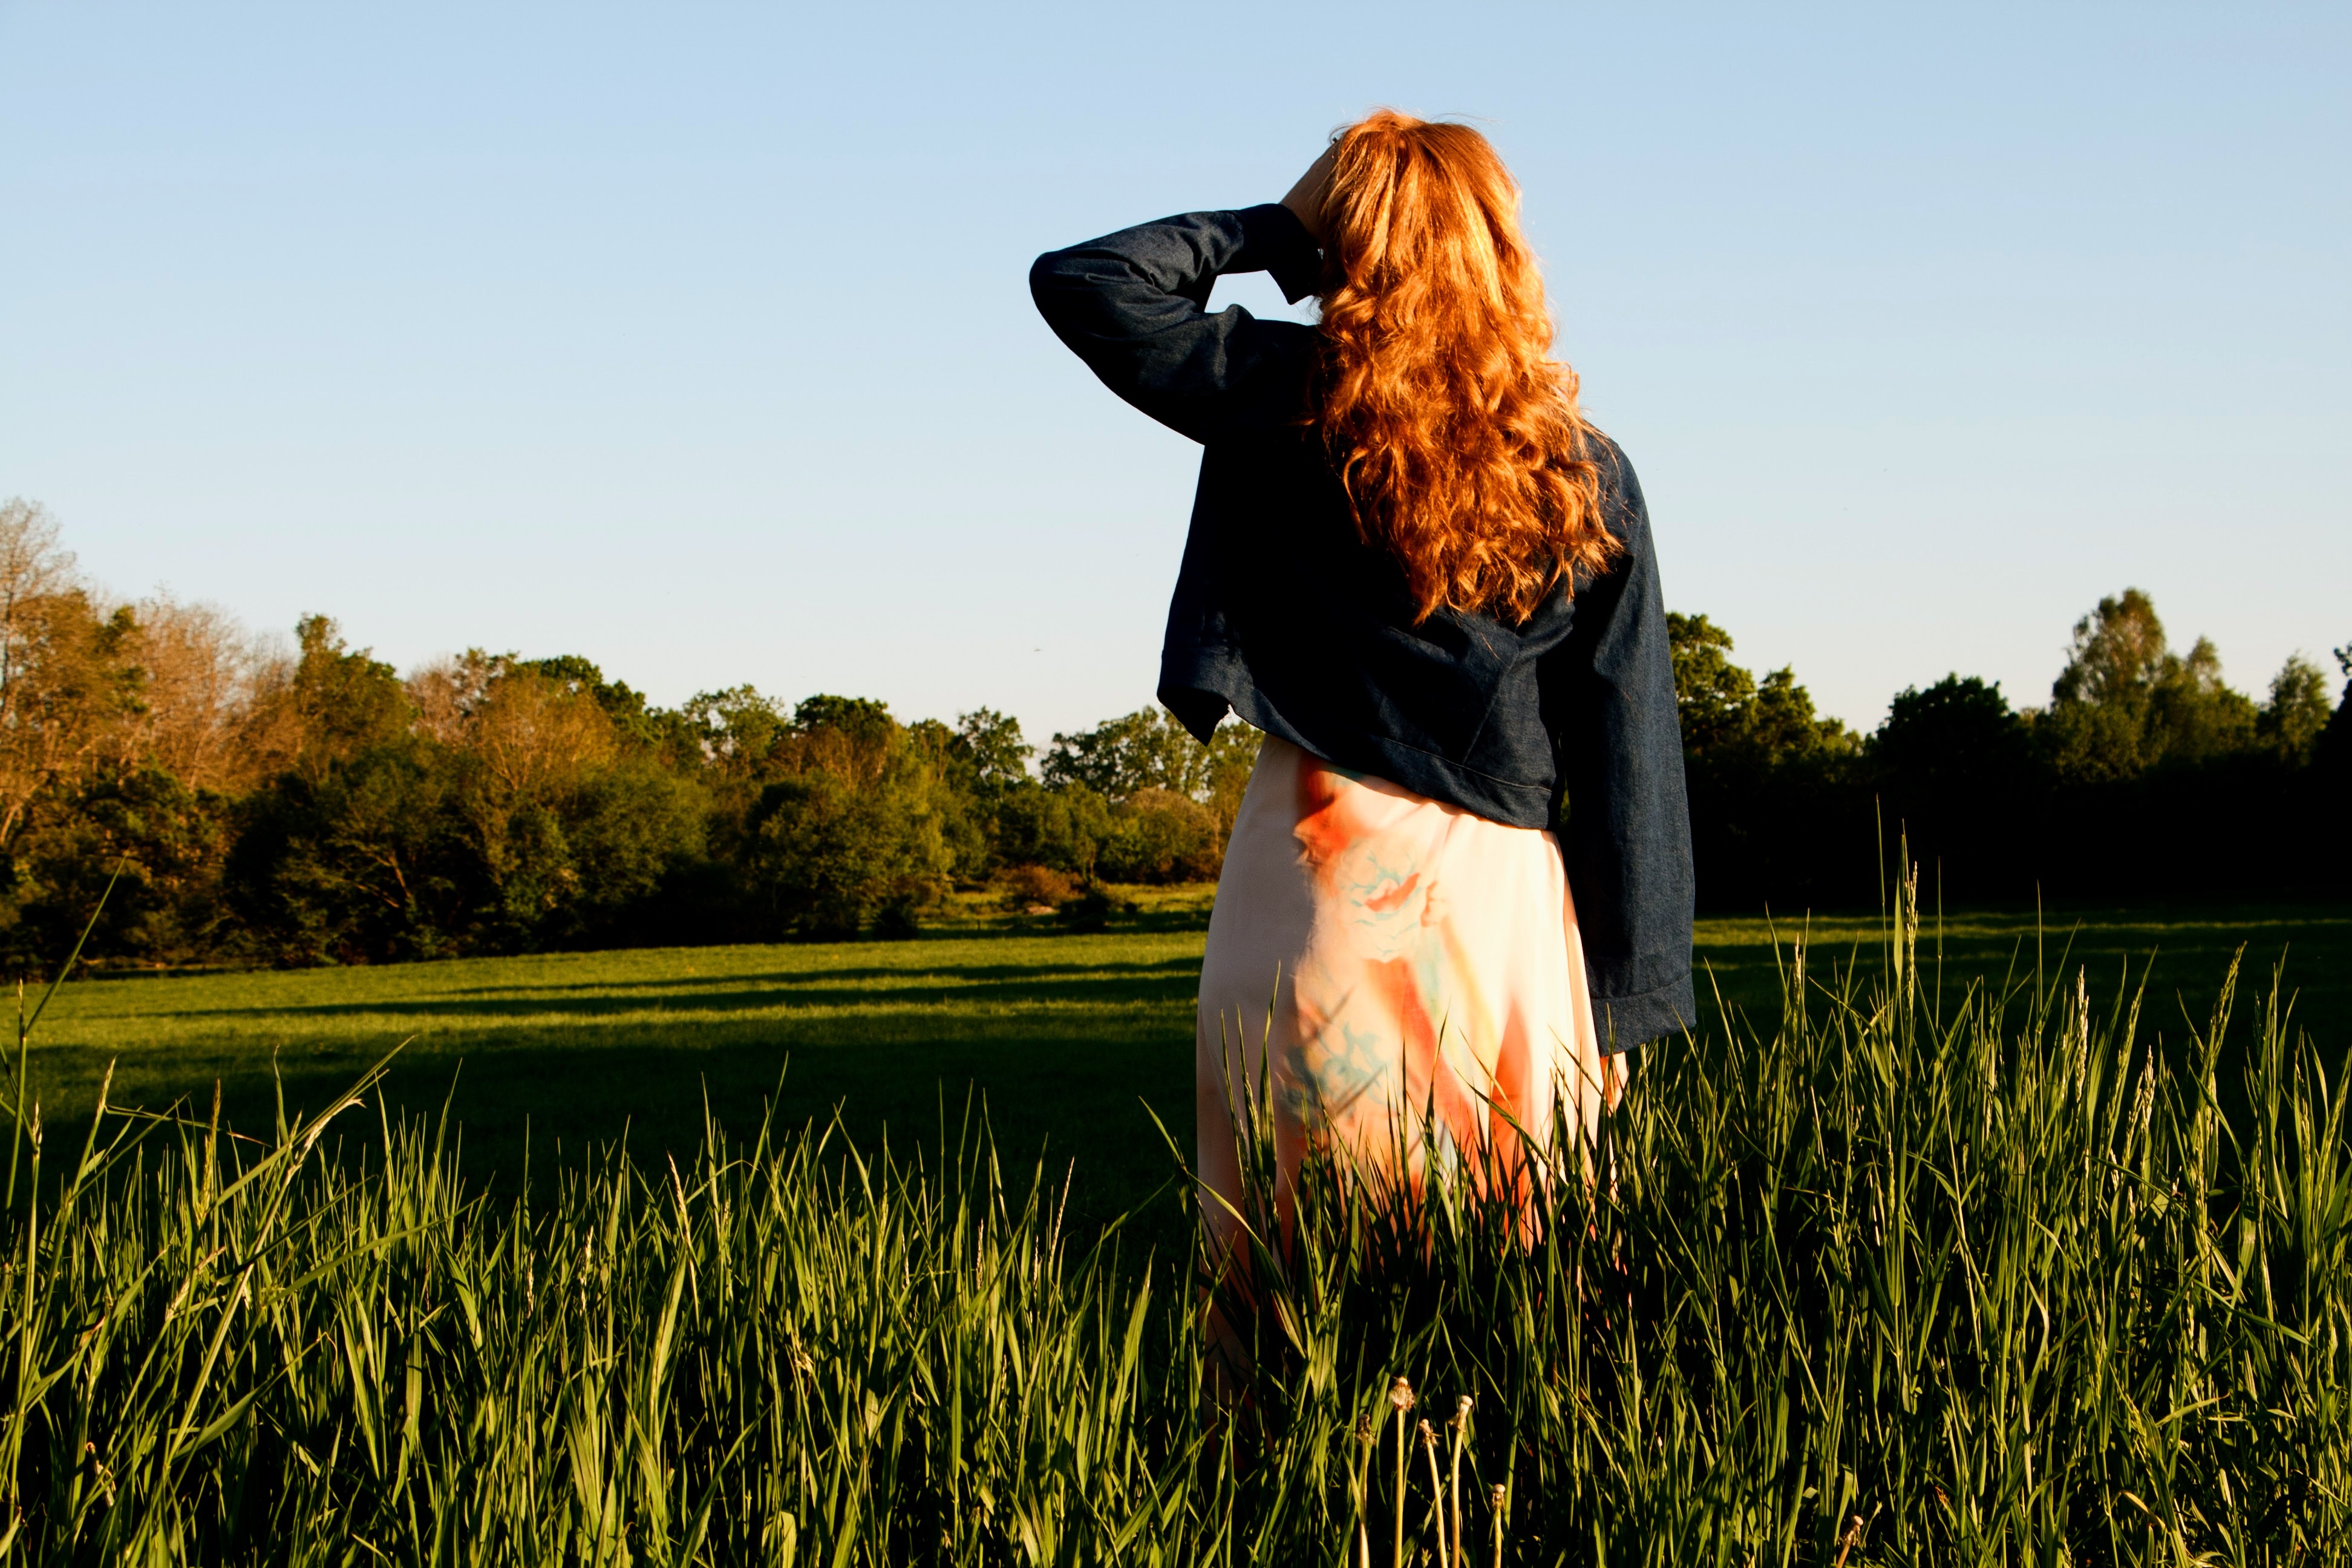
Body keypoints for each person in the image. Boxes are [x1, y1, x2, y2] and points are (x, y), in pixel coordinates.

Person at [1030, 110, 1693, 1305]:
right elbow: (1628, 747)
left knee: (1294, 1283)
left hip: (1311, 874)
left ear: (1348, 246)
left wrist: (1277, 228)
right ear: (1499, 244)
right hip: (1496, 907)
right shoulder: (1583, 468)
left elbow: (1090, 283)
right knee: (1503, 1279)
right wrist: (1626, 1007)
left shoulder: (1284, 396)